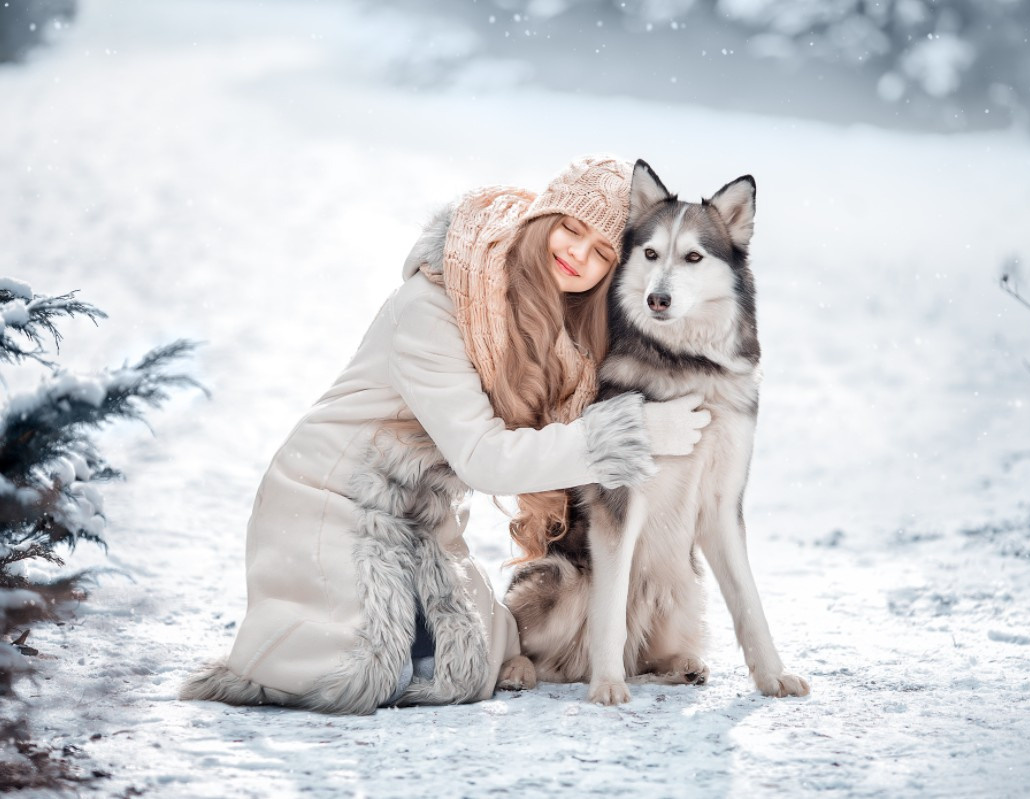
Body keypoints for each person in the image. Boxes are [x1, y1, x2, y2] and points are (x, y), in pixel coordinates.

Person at [180, 156, 709, 714]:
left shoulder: (551, 332)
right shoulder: (438, 304)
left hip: (421, 518)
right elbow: (484, 458)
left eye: (603, 251)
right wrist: (630, 435)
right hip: (330, 500)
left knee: (477, 662)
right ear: (541, 220)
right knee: (347, 671)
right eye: (570, 228)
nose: (577, 253)